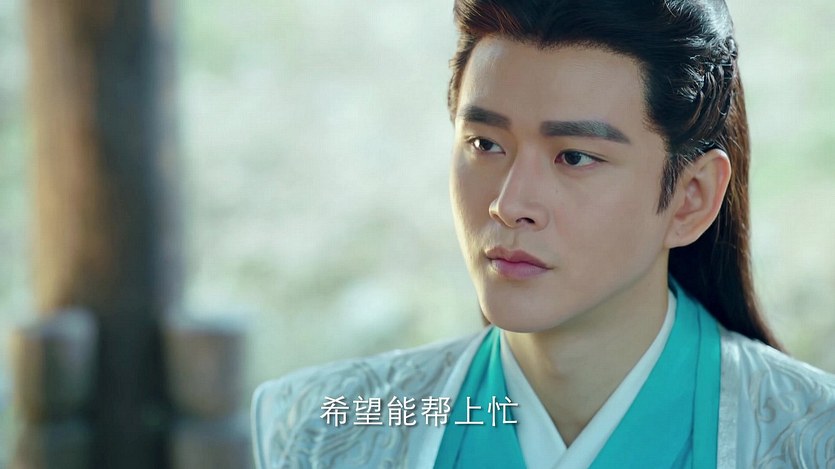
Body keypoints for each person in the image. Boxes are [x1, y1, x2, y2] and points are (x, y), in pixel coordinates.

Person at [251, 0, 835, 467]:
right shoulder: (323, 434)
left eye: (574, 157)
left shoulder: (813, 440)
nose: (509, 205)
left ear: (691, 197)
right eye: (485, 144)